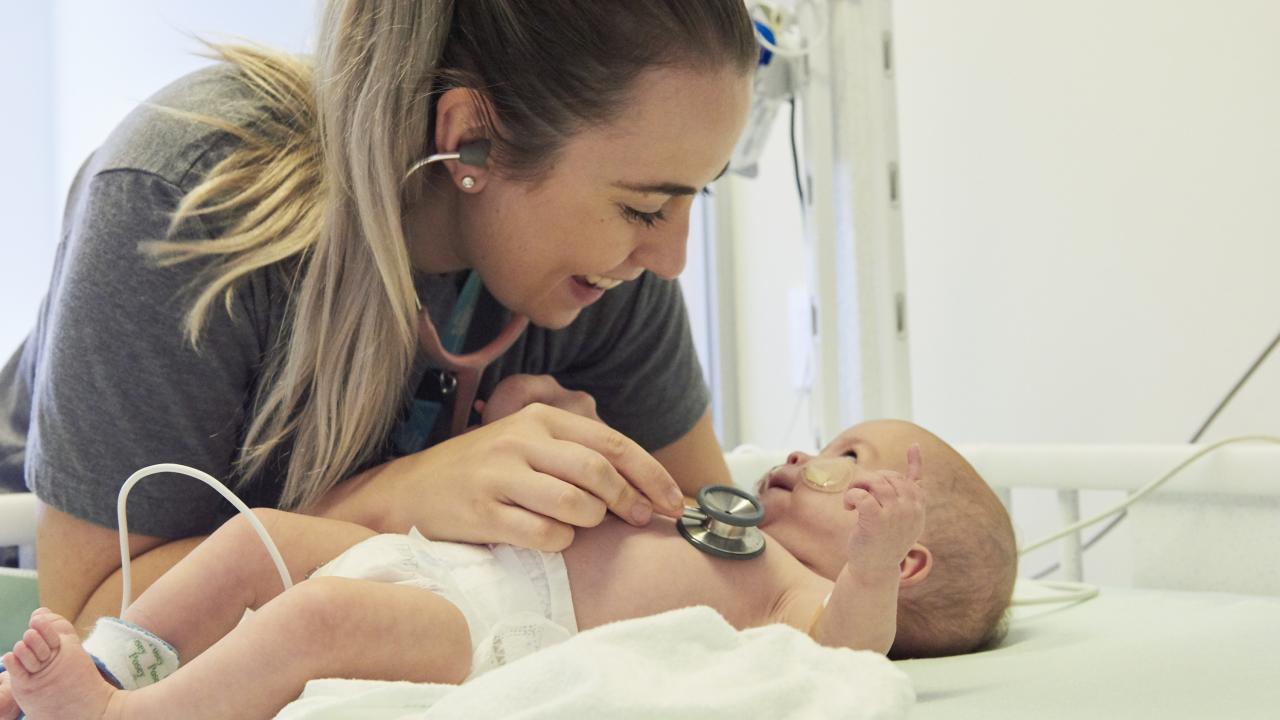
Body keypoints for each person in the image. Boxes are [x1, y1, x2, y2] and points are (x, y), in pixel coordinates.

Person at [0, 0, 758, 634]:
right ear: (470, 140)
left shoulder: (609, 278)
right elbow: (101, 630)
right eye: (645, 206)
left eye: (697, 195)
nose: (671, 258)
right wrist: (395, 500)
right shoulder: (183, 199)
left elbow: (714, 546)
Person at [0, 418, 1018, 720]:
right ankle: (122, 657)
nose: (808, 457)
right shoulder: (731, 524)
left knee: (315, 621)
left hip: (494, 626)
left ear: (906, 556)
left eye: (853, 467)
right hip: (451, 557)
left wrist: (868, 569)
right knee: (252, 536)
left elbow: (851, 648)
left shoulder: (797, 594)